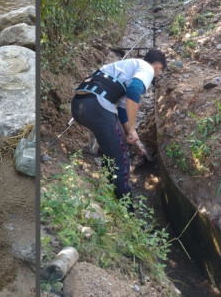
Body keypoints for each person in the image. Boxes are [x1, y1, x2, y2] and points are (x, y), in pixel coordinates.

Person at [70, 49, 167, 202]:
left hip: (79, 106)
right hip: (98, 107)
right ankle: (125, 211)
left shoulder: (126, 66)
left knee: (113, 153)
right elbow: (134, 91)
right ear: (158, 67)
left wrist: (132, 136)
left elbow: (122, 110)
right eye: (159, 72)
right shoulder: (147, 68)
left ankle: (108, 193)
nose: (156, 75)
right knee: (121, 161)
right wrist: (134, 128)